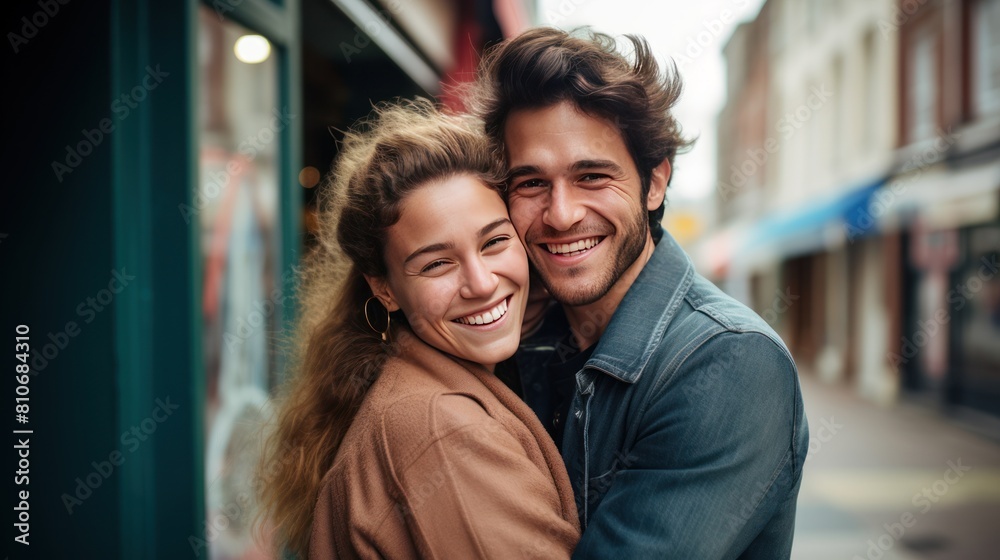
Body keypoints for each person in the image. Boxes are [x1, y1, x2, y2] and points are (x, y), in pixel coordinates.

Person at [471, 28, 809, 558]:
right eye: (531, 183)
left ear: (654, 182)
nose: (561, 215)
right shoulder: (514, 332)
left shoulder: (731, 362)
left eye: (592, 176)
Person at [255, 99, 579, 559]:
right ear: (384, 289)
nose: (482, 283)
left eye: (495, 241)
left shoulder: (425, 391)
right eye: (437, 263)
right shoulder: (440, 429)